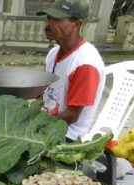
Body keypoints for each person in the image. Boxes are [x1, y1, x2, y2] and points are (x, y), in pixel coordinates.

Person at [37, 0, 105, 141]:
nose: (48, 24)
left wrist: (36, 123)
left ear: (77, 24)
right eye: (48, 18)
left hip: (67, 135)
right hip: (45, 126)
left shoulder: (85, 62)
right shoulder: (52, 54)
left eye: (56, 19)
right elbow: (42, 93)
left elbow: (71, 116)